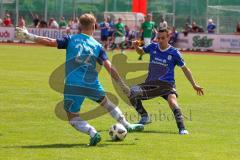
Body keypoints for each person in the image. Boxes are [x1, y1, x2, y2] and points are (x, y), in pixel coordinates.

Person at [15, 13, 144, 146]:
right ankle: (126, 124)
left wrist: (28, 35)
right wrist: (121, 84)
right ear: (94, 26)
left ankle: (92, 132)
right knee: (107, 103)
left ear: (79, 26)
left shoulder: (71, 39)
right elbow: (109, 66)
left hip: (73, 84)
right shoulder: (97, 46)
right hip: (91, 83)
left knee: (72, 116)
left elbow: (49, 42)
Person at [131, 28, 204, 135]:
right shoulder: (152, 46)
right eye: (158, 38)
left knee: (172, 102)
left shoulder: (174, 53)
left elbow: (185, 69)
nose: (160, 40)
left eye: (163, 38)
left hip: (166, 85)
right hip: (151, 83)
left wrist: (194, 84)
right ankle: (145, 117)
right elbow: (140, 51)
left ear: (168, 38)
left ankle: (182, 128)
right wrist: (136, 46)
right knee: (131, 92)